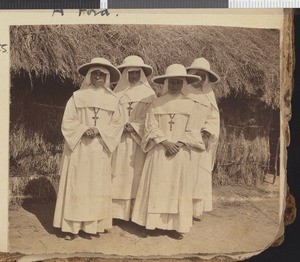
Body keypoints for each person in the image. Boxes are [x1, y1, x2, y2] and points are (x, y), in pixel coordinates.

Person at [53, 57, 124, 240]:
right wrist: (84, 129)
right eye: (95, 74)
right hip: (79, 148)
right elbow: (67, 121)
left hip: (100, 148)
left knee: (96, 186)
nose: (98, 77)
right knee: (78, 185)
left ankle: (93, 227)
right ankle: (71, 228)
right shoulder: (77, 97)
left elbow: (117, 124)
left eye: (101, 75)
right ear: (89, 76)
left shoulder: (114, 100)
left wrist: (99, 129)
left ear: (107, 77)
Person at [131, 64, 205, 239]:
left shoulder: (191, 105)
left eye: (178, 82)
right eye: (171, 82)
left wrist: (178, 143)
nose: (174, 86)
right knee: (157, 186)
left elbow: (194, 130)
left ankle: (174, 226)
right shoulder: (157, 103)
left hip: (180, 152)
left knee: (177, 187)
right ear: (166, 83)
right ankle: (151, 225)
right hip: (159, 151)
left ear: (183, 84)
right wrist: (164, 142)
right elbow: (150, 126)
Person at [111, 55, 156, 221]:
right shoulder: (116, 94)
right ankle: (115, 214)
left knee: (135, 174)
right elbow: (109, 116)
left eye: (137, 73)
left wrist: (136, 126)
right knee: (117, 172)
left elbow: (151, 118)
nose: (134, 76)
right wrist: (120, 126)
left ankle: (134, 215)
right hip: (119, 139)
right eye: (131, 73)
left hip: (137, 141)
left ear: (142, 74)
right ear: (125, 74)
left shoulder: (149, 94)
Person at [184, 57, 221, 220]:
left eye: (203, 76)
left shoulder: (209, 96)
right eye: (196, 75)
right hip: (183, 137)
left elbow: (214, 118)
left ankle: (195, 210)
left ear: (207, 78)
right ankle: (180, 209)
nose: (199, 79)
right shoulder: (183, 92)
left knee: (198, 175)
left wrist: (206, 133)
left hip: (200, 139)